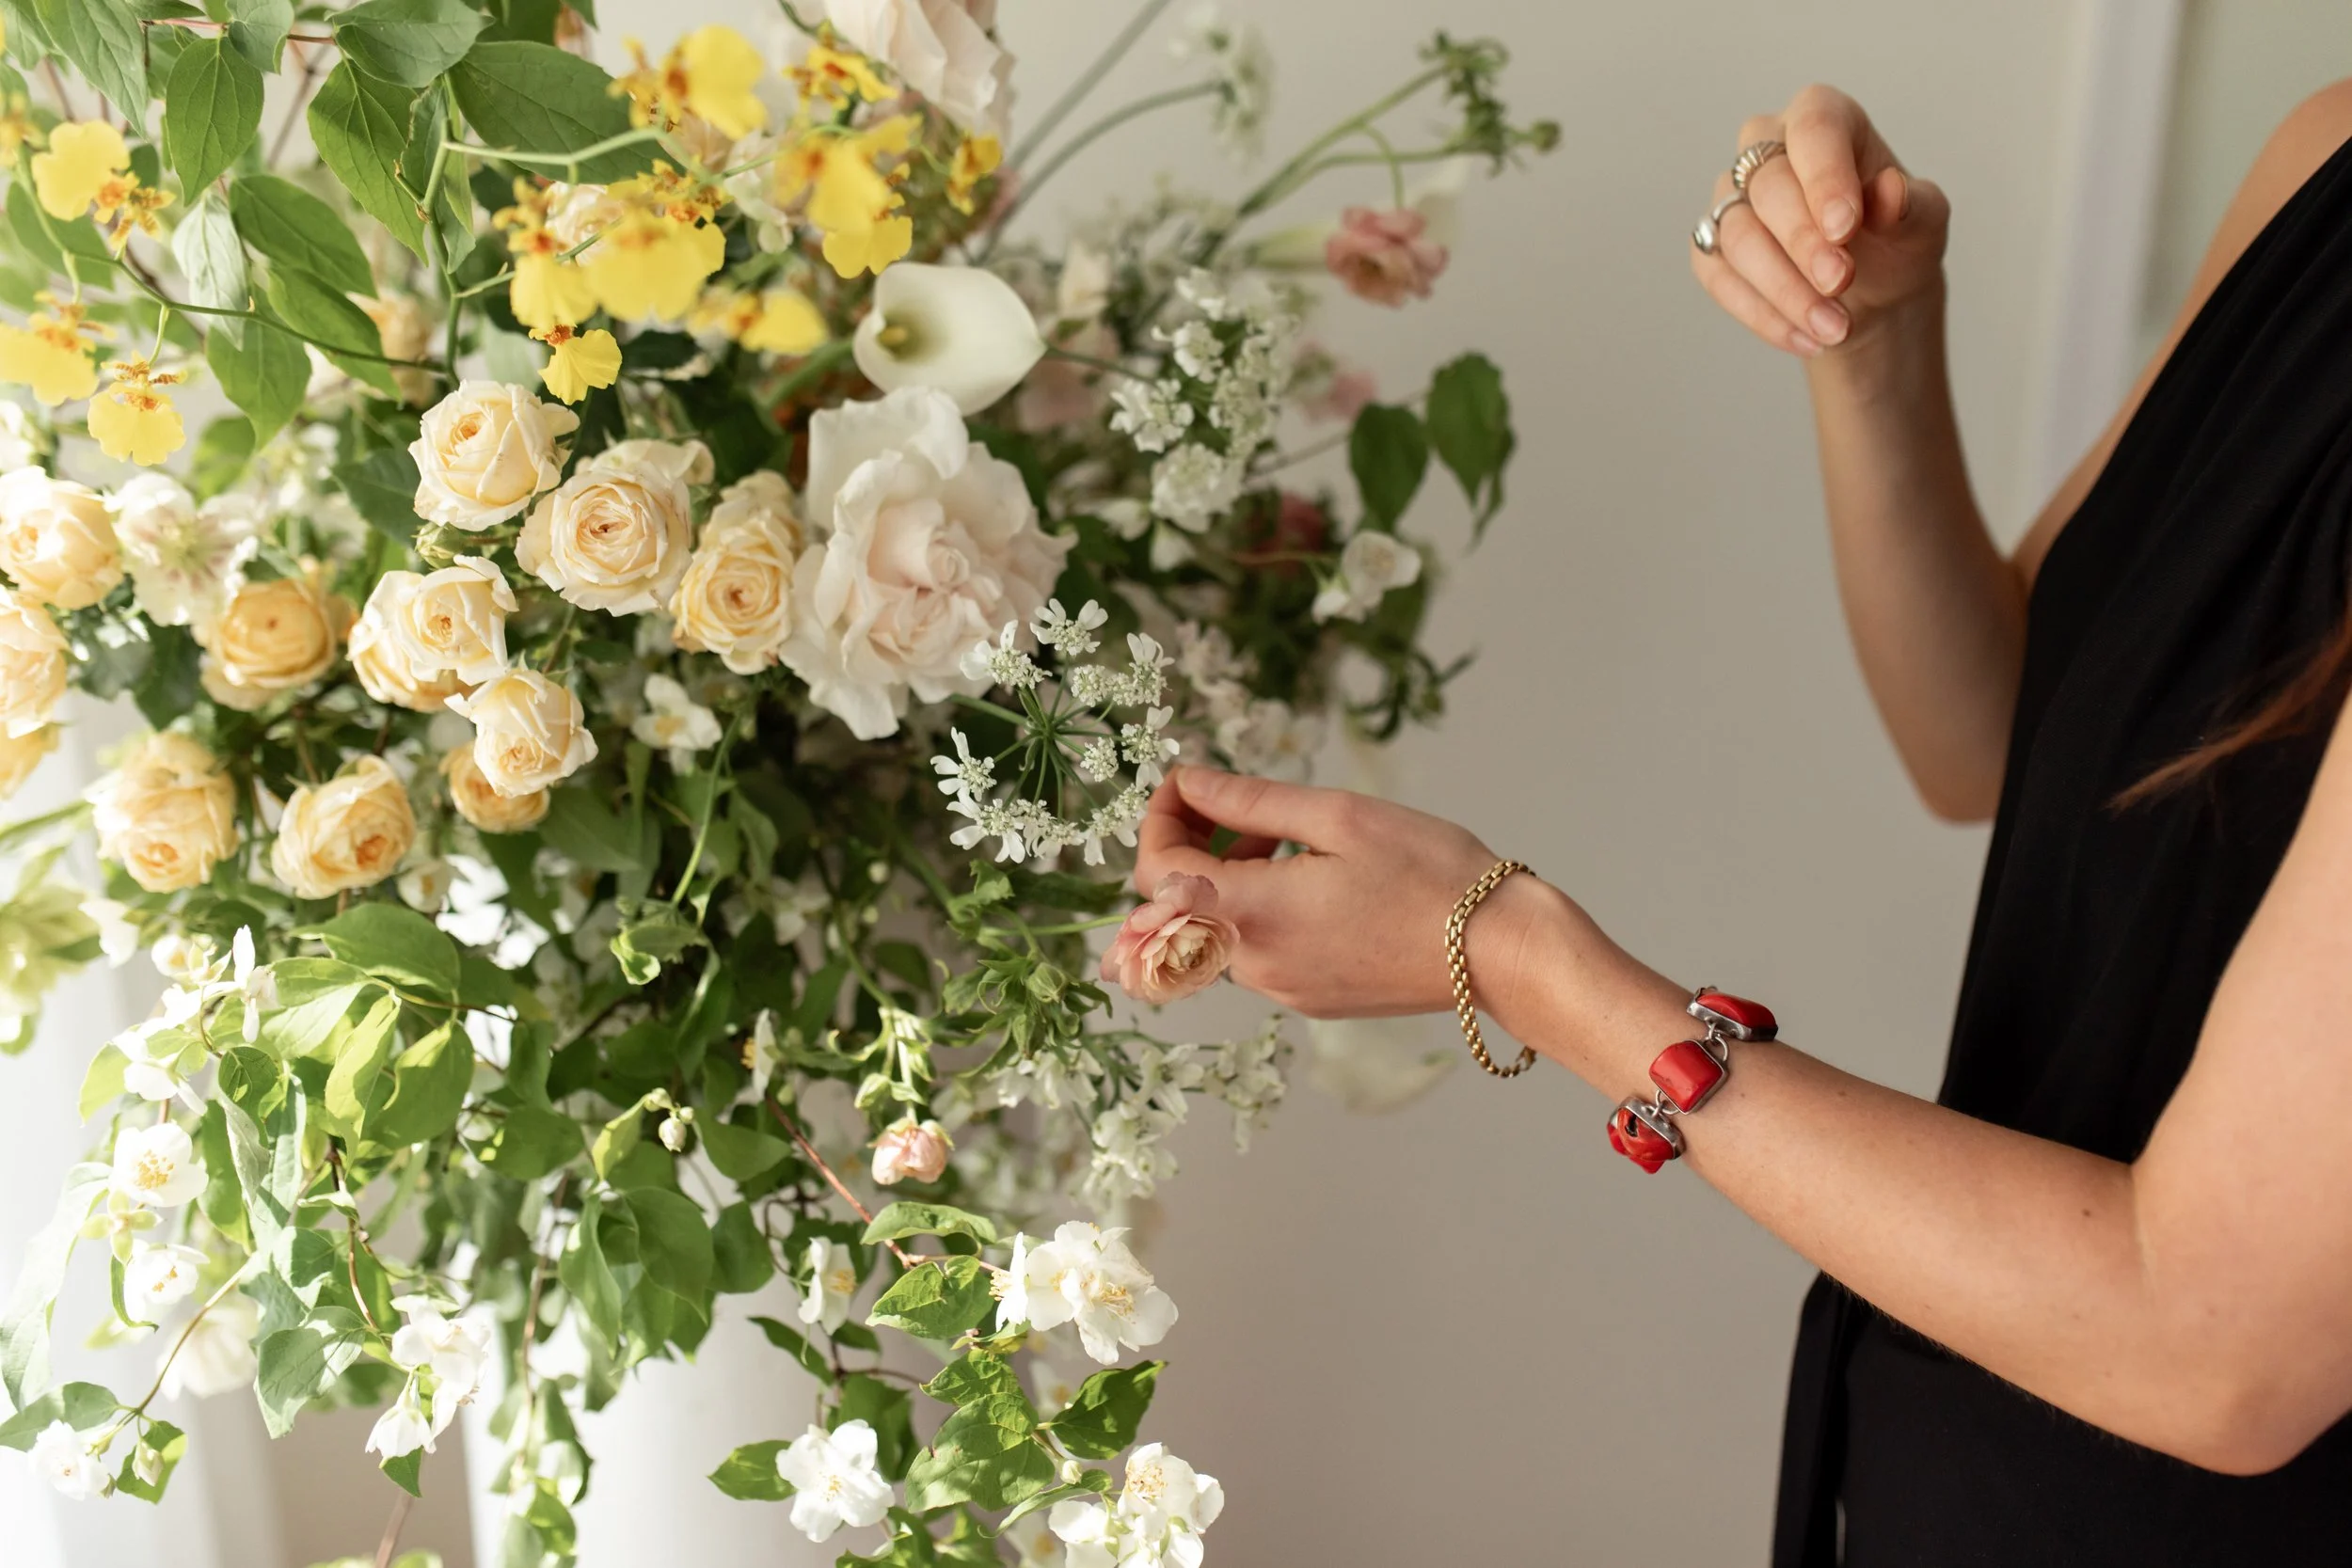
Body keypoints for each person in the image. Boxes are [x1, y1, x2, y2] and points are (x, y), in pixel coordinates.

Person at [1132, 81, 2352, 1565]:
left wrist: (1513, 953)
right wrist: (1871, 335)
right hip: (1937, 1457)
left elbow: (2211, 1345)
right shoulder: (2326, 156)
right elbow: (1987, 731)